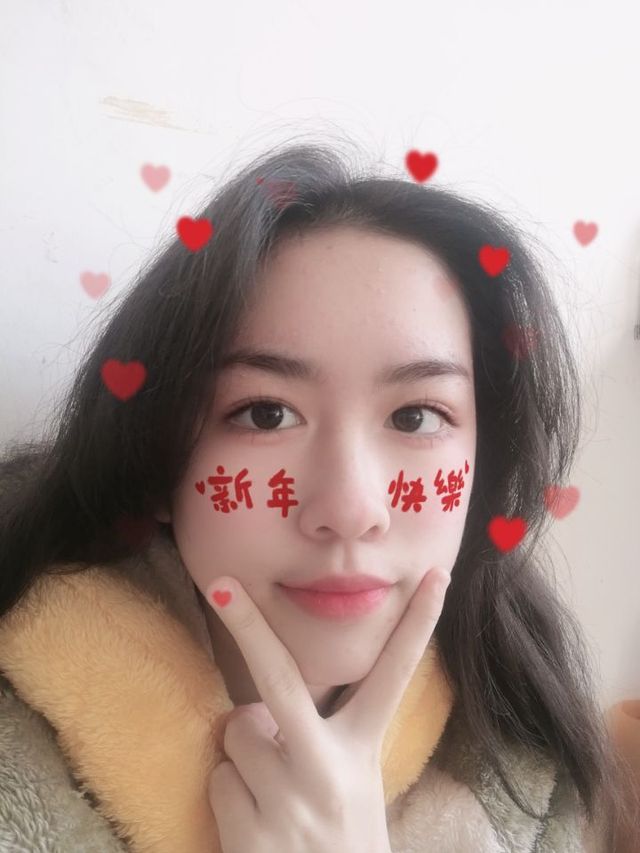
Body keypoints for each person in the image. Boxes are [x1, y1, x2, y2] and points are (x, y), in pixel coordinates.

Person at [0, 139, 635, 852]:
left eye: (416, 417)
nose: (351, 510)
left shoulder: (538, 770)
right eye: (265, 413)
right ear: (155, 457)